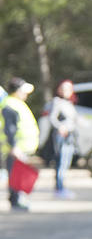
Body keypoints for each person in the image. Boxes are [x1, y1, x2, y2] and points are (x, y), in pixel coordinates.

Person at [1, 78, 40, 212]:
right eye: (23, 91)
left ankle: (18, 199)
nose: (26, 94)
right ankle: (15, 200)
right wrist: (14, 146)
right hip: (16, 148)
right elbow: (9, 128)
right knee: (15, 175)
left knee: (19, 174)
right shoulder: (10, 105)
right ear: (17, 91)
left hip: (21, 148)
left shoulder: (17, 103)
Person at [48, 79, 79, 198]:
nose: (67, 91)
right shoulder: (57, 102)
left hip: (70, 135)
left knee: (66, 162)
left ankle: (61, 187)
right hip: (61, 135)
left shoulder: (69, 103)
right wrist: (61, 127)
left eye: (69, 88)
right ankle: (59, 188)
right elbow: (52, 118)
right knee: (61, 162)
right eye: (64, 88)